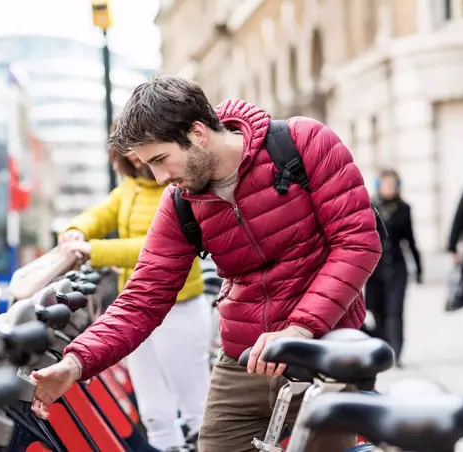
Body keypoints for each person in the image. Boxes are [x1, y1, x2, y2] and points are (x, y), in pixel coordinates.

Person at [30, 75, 382, 452]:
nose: (160, 177)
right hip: (242, 360)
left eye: (161, 160)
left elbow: (357, 242)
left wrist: (299, 329)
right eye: (149, 166)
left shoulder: (303, 142)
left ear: (197, 133)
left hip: (319, 351)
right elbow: (143, 297)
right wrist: (76, 362)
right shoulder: (180, 200)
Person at [57, 145, 210, 451]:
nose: (135, 157)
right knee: (154, 412)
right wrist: (76, 230)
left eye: (139, 149)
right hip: (138, 309)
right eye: (126, 151)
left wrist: (95, 251)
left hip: (178, 307)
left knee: (198, 408)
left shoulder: (178, 188)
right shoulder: (130, 188)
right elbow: (101, 214)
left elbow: (160, 245)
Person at [364, 169, 421, 366]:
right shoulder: (369, 206)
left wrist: (419, 267)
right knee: (377, 311)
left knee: (395, 311)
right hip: (375, 270)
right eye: (385, 184)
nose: (389, 188)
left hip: (397, 268)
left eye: (393, 184)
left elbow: (410, 240)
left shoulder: (404, 208)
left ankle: (397, 353)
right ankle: (382, 350)